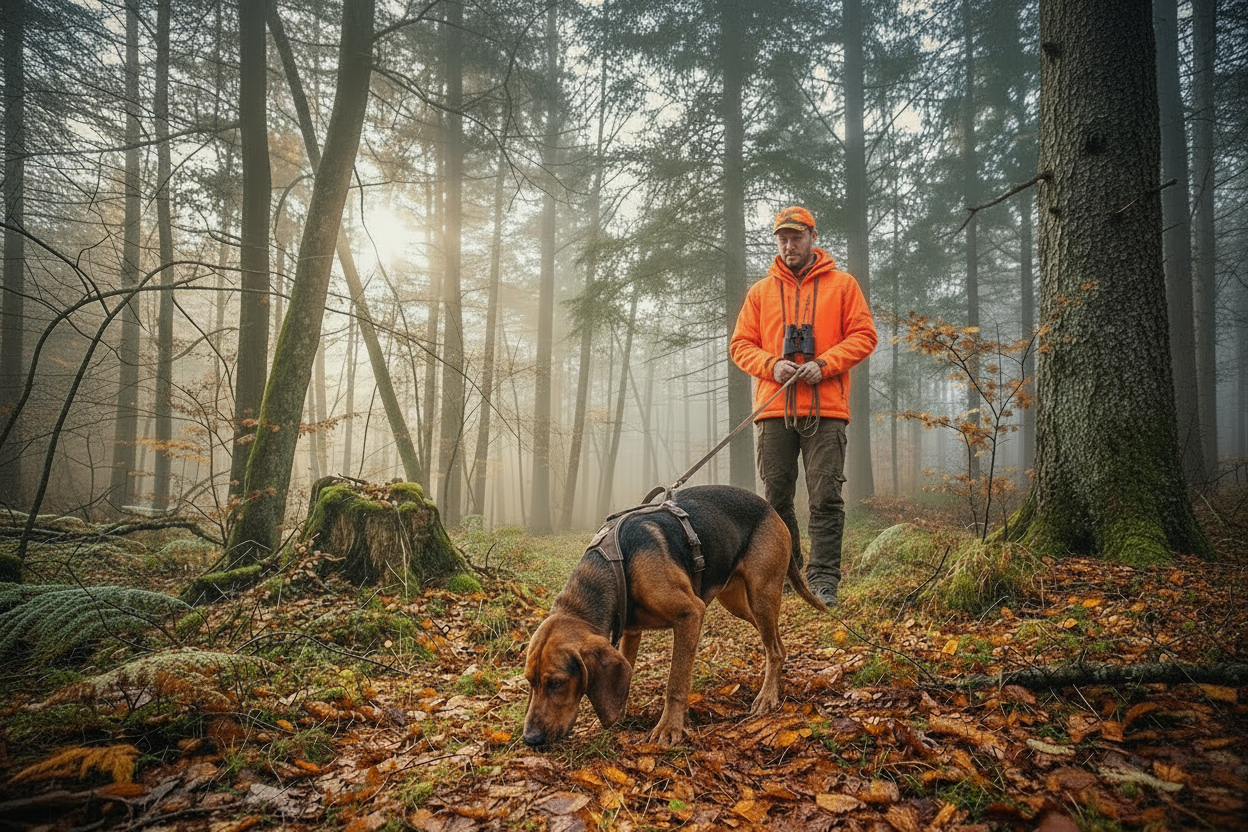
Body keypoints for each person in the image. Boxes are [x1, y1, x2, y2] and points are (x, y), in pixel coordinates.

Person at [729, 206, 877, 607]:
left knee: (825, 497)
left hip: (826, 411)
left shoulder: (843, 285)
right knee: (775, 499)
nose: (789, 245)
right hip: (773, 411)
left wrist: (824, 365)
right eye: (782, 239)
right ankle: (789, 574)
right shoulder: (760, 292)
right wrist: (771, 365)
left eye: (796, 237)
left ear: (813, 237)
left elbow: (865, 335)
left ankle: (823, 582)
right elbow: (740, 345)